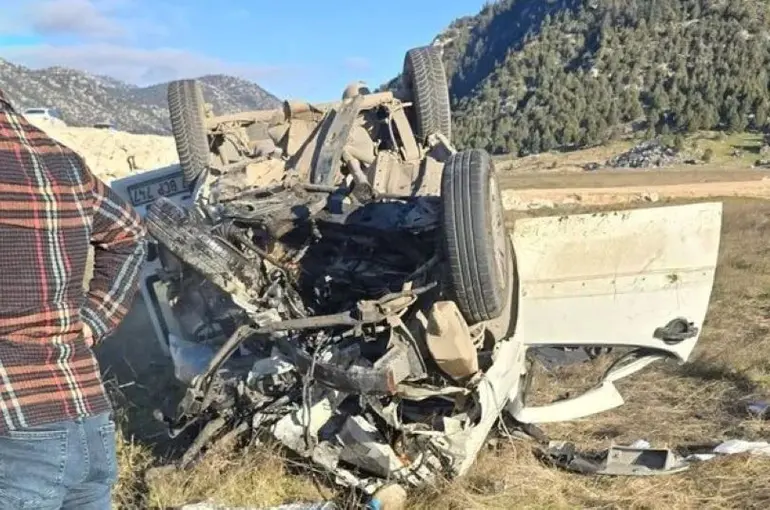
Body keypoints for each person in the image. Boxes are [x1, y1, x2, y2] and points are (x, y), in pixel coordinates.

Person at [0, 88, 147, 509]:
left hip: (14, 432)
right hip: (87, 417)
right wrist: (94, 320)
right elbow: (131, 234)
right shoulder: (60, 158)